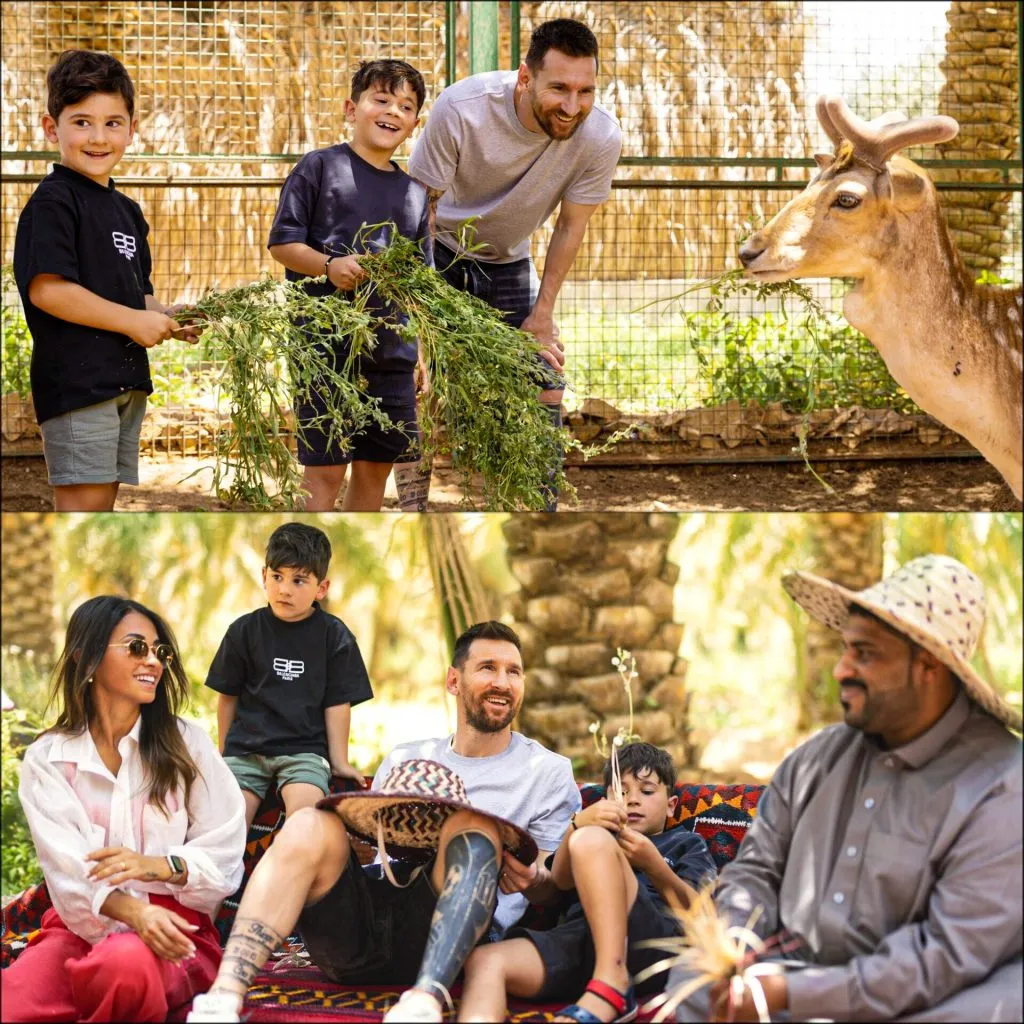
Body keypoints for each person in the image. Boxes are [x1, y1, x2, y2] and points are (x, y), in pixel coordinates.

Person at [670, 554, 1023, 1023]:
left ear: (929, 666)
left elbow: (941, 958)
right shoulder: (816, 760)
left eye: (866, 653)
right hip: (785, 976)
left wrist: (793, 995)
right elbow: (755, 872)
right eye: (845, 649)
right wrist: (734, 947)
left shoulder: (1002, 787)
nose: (841, 669)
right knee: (692, 980)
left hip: (925, 996)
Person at [186, 620, 581, 1024]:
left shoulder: (546, 772)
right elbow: (370, 855)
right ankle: (225, 994)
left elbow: (555, 889)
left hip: (457, 940)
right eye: (487, 668)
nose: (503, 682)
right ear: (453, 680)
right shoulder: (406, 758)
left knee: (476, 829)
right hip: (360, 931)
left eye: (514, 672)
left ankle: (424, 1001)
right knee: (309, 823)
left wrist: (532, 880)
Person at [404, 18, 622, 511]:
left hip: (508, 261)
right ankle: (412, 510)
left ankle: (539, 512)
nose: (572, 106)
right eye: (559, 89)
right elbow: (420, 212)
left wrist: (542, 315)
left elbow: (570, 228)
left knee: (545, 376)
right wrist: (416, 314)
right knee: (413, 384)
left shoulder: (601, 137)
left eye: (585, 91)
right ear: (525, 78)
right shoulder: (462, 108)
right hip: (437, 253)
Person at [1, 596, 247, 1023]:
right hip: (79, 928)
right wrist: (135, 913)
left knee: (124, 966)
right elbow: (67, 869)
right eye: (136, 647)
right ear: (87, 657)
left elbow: (225, 848)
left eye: (160, 651)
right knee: (11, 1005)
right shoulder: (49, 758)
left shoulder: (187, 744)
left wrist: (159, 866)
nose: (153, 661)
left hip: (176, 930)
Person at [12, 49, 202, 514]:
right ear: (52, 128)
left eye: (112, 123)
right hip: (78, 385)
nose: (98, 137)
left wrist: (167, 316)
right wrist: (132, 322)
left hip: (124, 382)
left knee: (103, 509)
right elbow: (48, 290)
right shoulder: (54, 202)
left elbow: (136, 295)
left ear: (132, 129)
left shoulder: (127, 211)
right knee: (83, 513)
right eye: (82, 122)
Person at [267, 59, 432, 512]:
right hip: (323, 349)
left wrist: (420, 351)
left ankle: (357, 543)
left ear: (414, 123)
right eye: (381, 100)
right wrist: (328, 267)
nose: (393, 111)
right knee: (324, 470)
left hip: (391, 354)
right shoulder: (320, 167)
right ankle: (311, 542)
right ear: (351, 108)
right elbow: (283, 244)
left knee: (376, 467)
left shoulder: (414, 194)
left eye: (406, 106)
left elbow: (419, 286)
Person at [459, 742, 717, 1023]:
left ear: (671, 806)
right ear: (606, 800)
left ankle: (613, 984)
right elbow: (559, 882)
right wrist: (576, 825)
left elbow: (704, 917)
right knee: (484, 960)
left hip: (649, 947)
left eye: (646, 791)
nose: (632, 800)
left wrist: (654, 866)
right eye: (621, 791)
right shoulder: (589, 834)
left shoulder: (684, 842)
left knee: (592, 839)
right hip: (579, 944)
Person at [205, 522, 373, 830]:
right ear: (263, 576)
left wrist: (339, 761)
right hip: (246, 750)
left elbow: (338, 704)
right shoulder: (243, 631)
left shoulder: (334, 636)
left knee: (304, 822)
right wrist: (224, 752)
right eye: (277, 577)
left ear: (322, 588)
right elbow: (228, 695)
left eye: (299, 580)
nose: (284, 589)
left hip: (304, 752)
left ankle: (286, 859)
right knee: (226, 825)